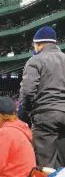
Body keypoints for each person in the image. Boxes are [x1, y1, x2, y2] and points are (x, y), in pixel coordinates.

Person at [19, 26, 65, 169]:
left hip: (45, 116)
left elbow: (27, 92)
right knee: (62, 165)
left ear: (38, 43)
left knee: (44, 166)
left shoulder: (36, 60)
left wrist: (27, 113)